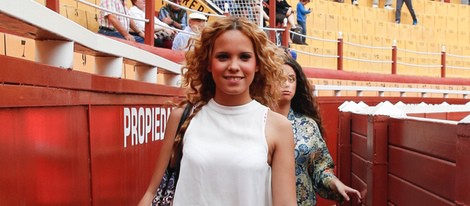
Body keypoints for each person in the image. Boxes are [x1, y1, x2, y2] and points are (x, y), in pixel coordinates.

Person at [138, 17, 297, 206]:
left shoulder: (278, 127)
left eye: (244, 57)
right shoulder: (183, 116)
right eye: (223, 56)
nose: (234, 66)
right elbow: (152, 192)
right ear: (208, 63)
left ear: (258, 64)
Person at [274, 55, 362, 206]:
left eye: (291, 79)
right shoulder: (257, 122)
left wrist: (335, 183)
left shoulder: (308, 125)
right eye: (280, 78)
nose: (287, 84)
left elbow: (321, 168)